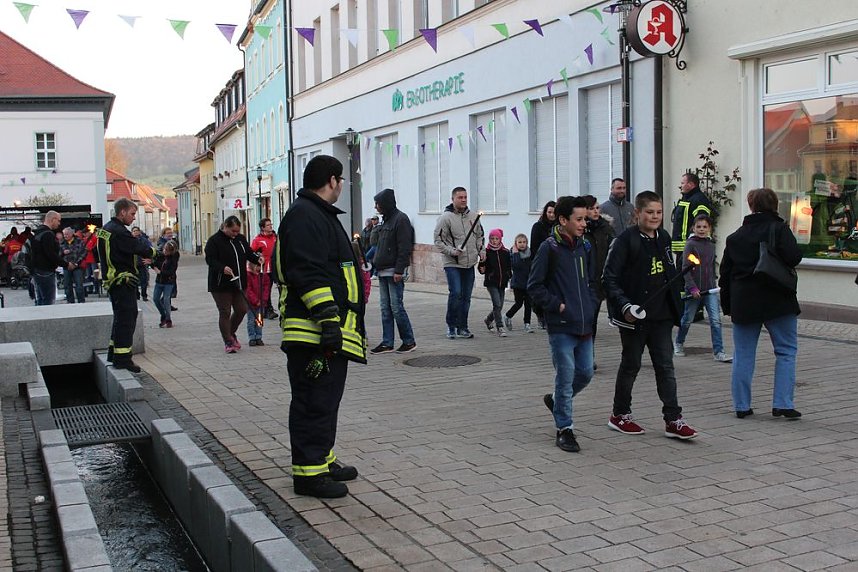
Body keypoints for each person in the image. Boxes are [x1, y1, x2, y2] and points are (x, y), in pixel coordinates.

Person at [276, 154, 366, 499]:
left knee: (326, 401)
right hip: (314, 331)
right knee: (313, 402)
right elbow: (307, 272)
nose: (342, 186)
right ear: (332, 180)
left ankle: (323, 460)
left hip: (327, 331)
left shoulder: (315, 214)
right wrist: (328, 318)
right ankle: (308, 475)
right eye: (341, 180)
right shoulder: (305, 216)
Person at [602, 191, 699, 440]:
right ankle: (620, 414)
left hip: (662, 315)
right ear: (638, 214)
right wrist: (625, 306)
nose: (655, 217)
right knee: (631, 365)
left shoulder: (664, 237)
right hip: (634, 316)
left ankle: (673, 419)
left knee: (665, 367)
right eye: (650, 212)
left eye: (658, 212)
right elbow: (609, 279)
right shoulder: (625, 241)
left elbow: (668, 271)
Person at [719, 188, 803, 420]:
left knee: (743, 354)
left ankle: (742, 406)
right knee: (786, 351)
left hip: (745, 302)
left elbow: (725, 275)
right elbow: (795, 256)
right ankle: (783, 404)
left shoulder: (735, 237)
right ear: (774, 204)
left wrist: (728, 306)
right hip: (778, 299)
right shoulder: (779, 228)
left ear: (750, 206)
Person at [528, 196, 597, 453]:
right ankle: (565, 428)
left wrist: (590, 304)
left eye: (585, 219)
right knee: (565, 376)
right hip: (561, 325)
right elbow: (534, 285)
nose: (583, 224)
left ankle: (557, 402)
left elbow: (591, 281)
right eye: (578, 219)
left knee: (586, 373)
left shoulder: (586, 247)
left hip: (584, 323)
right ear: (563, 220)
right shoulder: (549, 248)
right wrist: (557, 305)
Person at [97, 198, 157, 372]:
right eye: (132, 214)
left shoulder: (106, 229)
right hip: (123, 280)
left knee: (119, 318)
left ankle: (113, 352)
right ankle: (123, 358)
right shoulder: (119, 232)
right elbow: (137, 248)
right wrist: (155, 252)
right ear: (122, 212)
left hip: (113, 280)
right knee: (127, 319)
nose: (133, 218)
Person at [674, 214, 732, 363]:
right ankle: (679, 343)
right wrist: (692, 288)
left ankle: (719, 352)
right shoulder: (690, 244)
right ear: (693, 228)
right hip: (694, 290)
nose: (701, 229)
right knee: (687, 319)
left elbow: (711, 266)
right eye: (698, 227)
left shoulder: (711, 245)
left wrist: (714, 280)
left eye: (704, 227)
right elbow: (685, 268)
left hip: (710, 290)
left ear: (709, 228)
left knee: (715, 320)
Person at [369, 188, 417, 354]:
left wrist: (399, 269)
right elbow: (380, 246)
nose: (376, 207)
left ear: (386, 204)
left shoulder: (400, 219)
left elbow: (404, 247)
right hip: (383, 271)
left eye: (378, 204)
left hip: (393, 272)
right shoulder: (386, 220)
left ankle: (409, 341)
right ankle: (387, 342)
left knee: (396, 307)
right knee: (385, 308)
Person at [434, 187, 485, 339]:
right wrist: (451, 251)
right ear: (453, 199)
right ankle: (451, 325)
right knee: (456, 293)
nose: (463, 200)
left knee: (466, 296)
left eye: (465, 197)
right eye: (460, 197)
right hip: (453, 262)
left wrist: (481, 251)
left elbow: (479, 236)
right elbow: (438, 240)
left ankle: (463, 326)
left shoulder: (474, 216)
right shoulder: (445, 218)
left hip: (469, 262)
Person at [205, 216, 260, 353]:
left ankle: (231, 333)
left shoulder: (240, 239)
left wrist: (258, 259)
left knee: (241, 309)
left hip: (239, 282)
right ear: (225, 227)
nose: (235, 234)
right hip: (221, 284)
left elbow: (248, 253)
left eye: (237, 231)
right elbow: (210, 260)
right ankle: (228, 341)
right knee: (225, 311)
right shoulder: (214, 241)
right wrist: (222, 268)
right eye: (233, 231)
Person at [583, 196, 615, 370]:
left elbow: (613, 250)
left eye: (597, 208)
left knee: (592, 321)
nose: (596, 211)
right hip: (583, 281)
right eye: (592, 208)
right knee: (584, 321)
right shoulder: (580, 229)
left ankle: (589, 357)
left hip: (599, 281)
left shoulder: (605, 228)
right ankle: (581, 356)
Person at [671, 172, 712, 267]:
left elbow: (701, 221)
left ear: (691, 184)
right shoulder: (686, 199)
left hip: (691, 248)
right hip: (682, 248)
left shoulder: (699, 200)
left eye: (682, 183)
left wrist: (695, 242)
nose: (681, 186)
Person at [479, 229, 512, 337]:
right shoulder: (486, 252)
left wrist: (509, 276)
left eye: (496, 239)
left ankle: (488, 320)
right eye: (492, 239)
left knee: (499, 306)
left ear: (500, 239)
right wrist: (481, 268)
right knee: (497, 304)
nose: (494, 241)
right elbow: (481, 266)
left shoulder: (505, 252)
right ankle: (500, 327)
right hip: (491, 282)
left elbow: (508, 266)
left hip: (502, 282)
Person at [530, 201, 556, 329]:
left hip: (555, 263)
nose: (551, 215)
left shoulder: (559, 227)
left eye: (553, 212)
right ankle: (540, 314)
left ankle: (550, 316)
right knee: (541, 290)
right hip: (541, 262)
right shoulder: (538, 226)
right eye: (549, 212)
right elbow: (534, 247)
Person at [30, 211, 65, 306]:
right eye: (58, 220)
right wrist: (65, 264)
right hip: (46, 271)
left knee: (40, 300)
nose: (59, 223)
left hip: (37, 271)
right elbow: (51, 254)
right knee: (48, 301)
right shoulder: (48, 234)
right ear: (52, 219)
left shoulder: (37, 233)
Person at [504, 233, 534, 333]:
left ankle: (527, 324)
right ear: (515, 244)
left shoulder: (530, 253)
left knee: (528, 304)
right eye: (519, 242)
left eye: (524, 242)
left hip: (528, 283)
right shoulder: (513, 254)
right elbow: (516, 265)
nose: (522, 244)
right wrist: (516, 253)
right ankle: (508, 316)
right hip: (518, 283)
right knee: (519, 303)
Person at [251, 218, 278, 320]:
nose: (271, 226)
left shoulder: (276, 237)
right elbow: (251, 253)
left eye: (271, 224)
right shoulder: (258, 240)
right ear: (262, 228)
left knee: (281, 288)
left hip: (276, 268)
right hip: (265, 269)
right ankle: (268, 310)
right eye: (268, 225)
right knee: (266, 290)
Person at [152, 240, 179, 328]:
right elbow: (154, 264)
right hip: (159, 281)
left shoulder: (173, 259)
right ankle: (163, 314)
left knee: (166, 300)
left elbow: (171, 271)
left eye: (167, 251)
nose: (165, 252)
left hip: (169, 282)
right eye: (164, 249)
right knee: (156, 299)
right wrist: (151, 264)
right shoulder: (160, 255)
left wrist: (160, 272)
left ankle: (168, 319)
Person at [245, 259, 270, 346]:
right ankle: (252, 337)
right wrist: (256, 301)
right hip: (251, 304)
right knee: (251, 321)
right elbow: (248, 290)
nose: (258, 268)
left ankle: (259, 337)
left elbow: (266, 289)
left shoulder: (263, 276)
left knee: (259, 320)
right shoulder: (248, 275)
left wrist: (264, 300)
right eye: (257, 266)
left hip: (261, 303)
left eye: (260, 266)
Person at [60, 227, 86, 303]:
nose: (65, 236)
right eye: (64, 234)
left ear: (71, 234)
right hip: (66, 267)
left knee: (79, 286)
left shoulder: (79, 241)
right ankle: (70, 302)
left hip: (77, 266)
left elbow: (83, 253)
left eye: (67, 234)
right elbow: (57, 255)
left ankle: (81, 301)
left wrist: (76, 263)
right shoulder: (61, 243)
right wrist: (63, 253)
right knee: (67, 286)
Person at [131, 226, 152, 301]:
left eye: (137, 230)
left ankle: (144, 295)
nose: (136, 232)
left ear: (139, 232)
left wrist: (148, 258)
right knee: (134, 280)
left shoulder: (144, 240)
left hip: (142, 262)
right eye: (134, 231)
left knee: (144, 280)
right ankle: (137, 295)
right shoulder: (130, 240)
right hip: (133, 264)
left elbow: (150, 249)